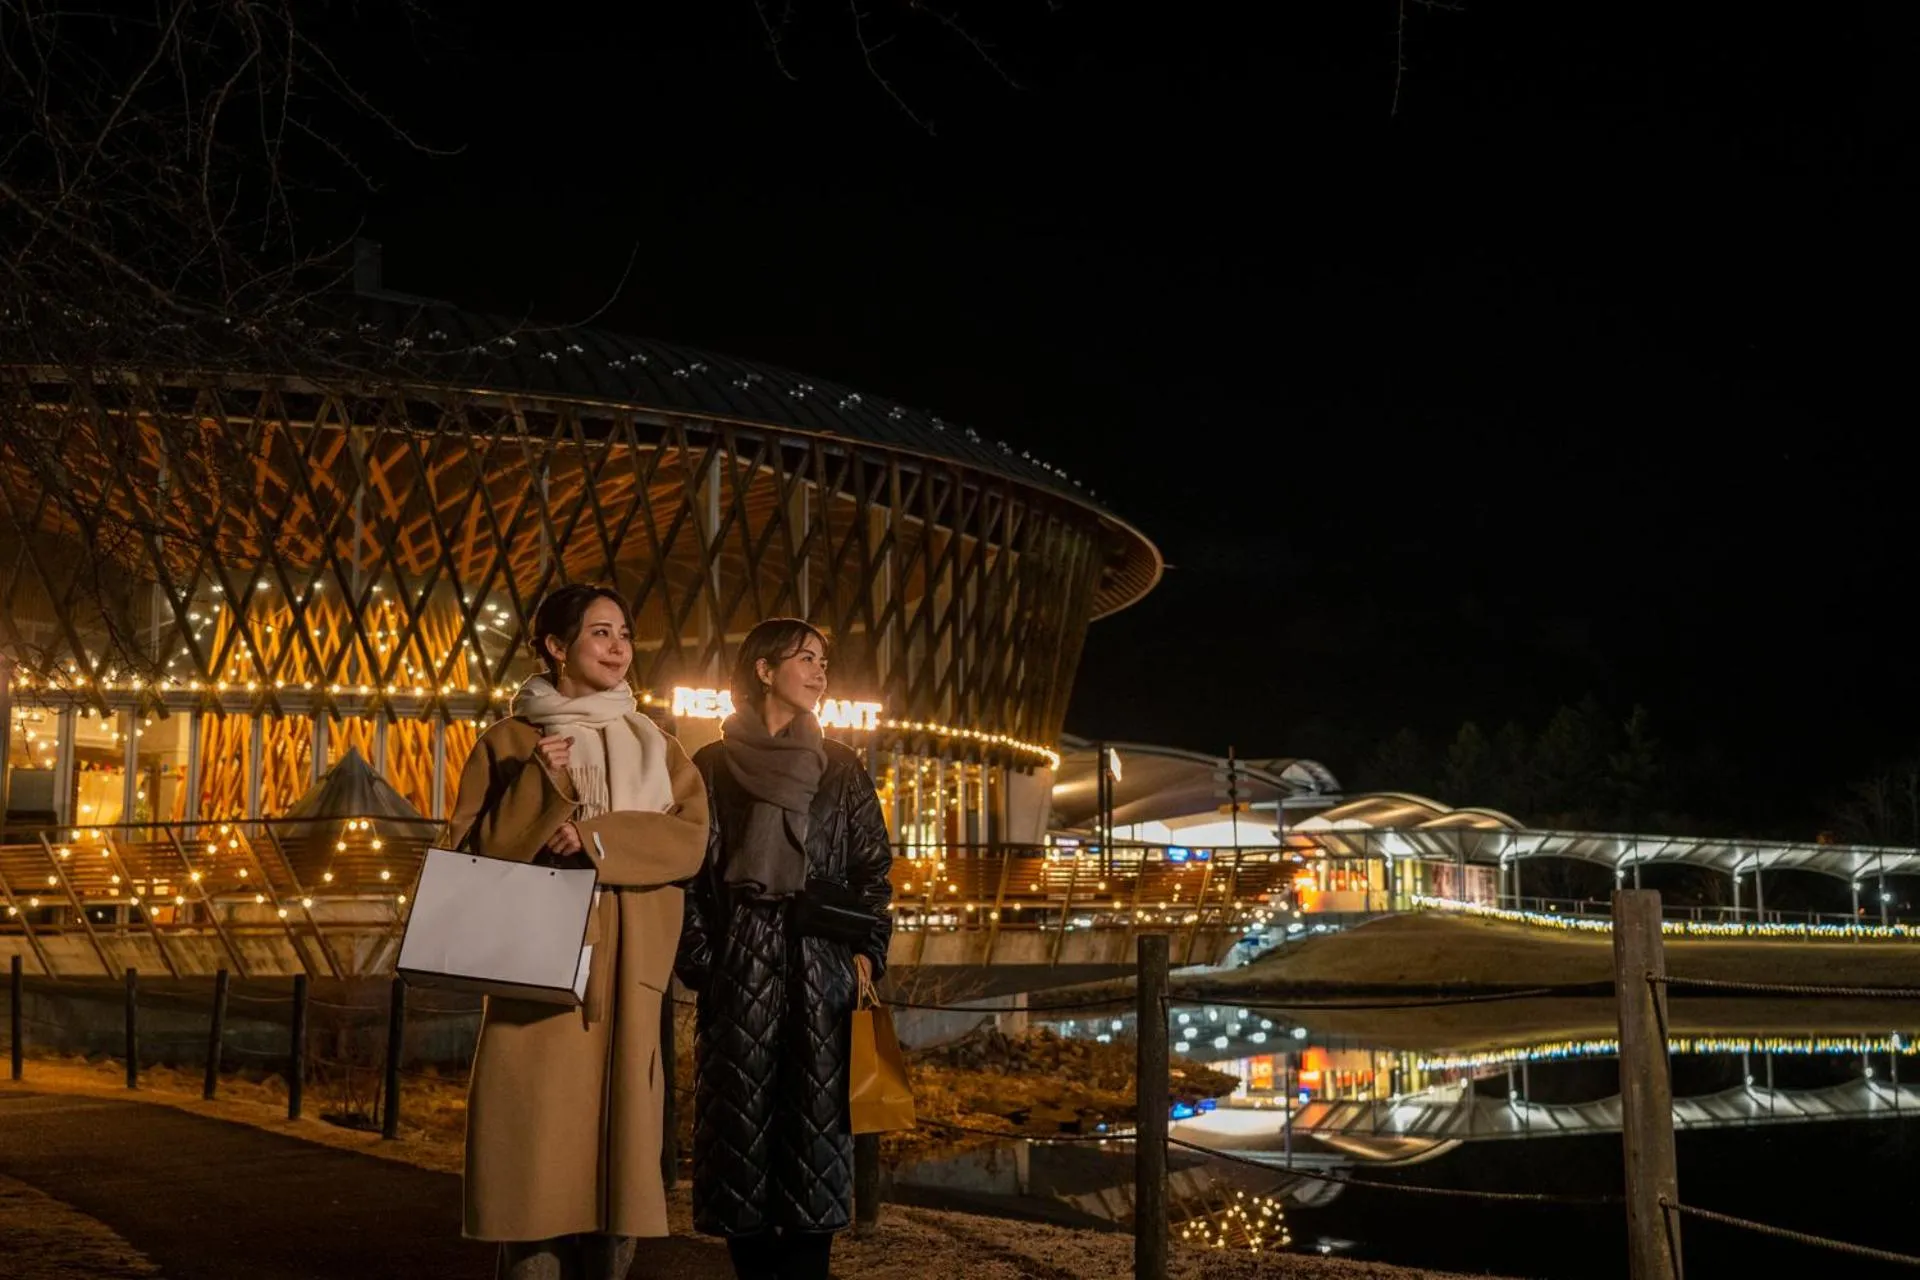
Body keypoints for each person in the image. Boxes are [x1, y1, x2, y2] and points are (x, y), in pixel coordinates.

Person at [446, 584, 709, 1280]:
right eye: (599, 632)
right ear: (556, 647)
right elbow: (471, 858)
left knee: (615, 1182)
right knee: (533, 1181)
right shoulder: (509, 742)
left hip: (628, 978)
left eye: (624, 632)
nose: (619, 646)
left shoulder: (657, 744)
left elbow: (690, 840)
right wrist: (541, 787)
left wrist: (595, 839)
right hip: (538, 982)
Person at [676, 618, 894, 1280]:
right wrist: (707, 967)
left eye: (824, 660)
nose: (821, 670)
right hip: (740, 961)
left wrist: (865, 953)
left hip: (820, 962)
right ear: (764, 670)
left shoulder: (842, 768)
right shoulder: (711, 768)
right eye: (805, 657)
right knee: (739, 1139)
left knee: (816, 1141)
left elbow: (873, 872)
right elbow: (688, 876)